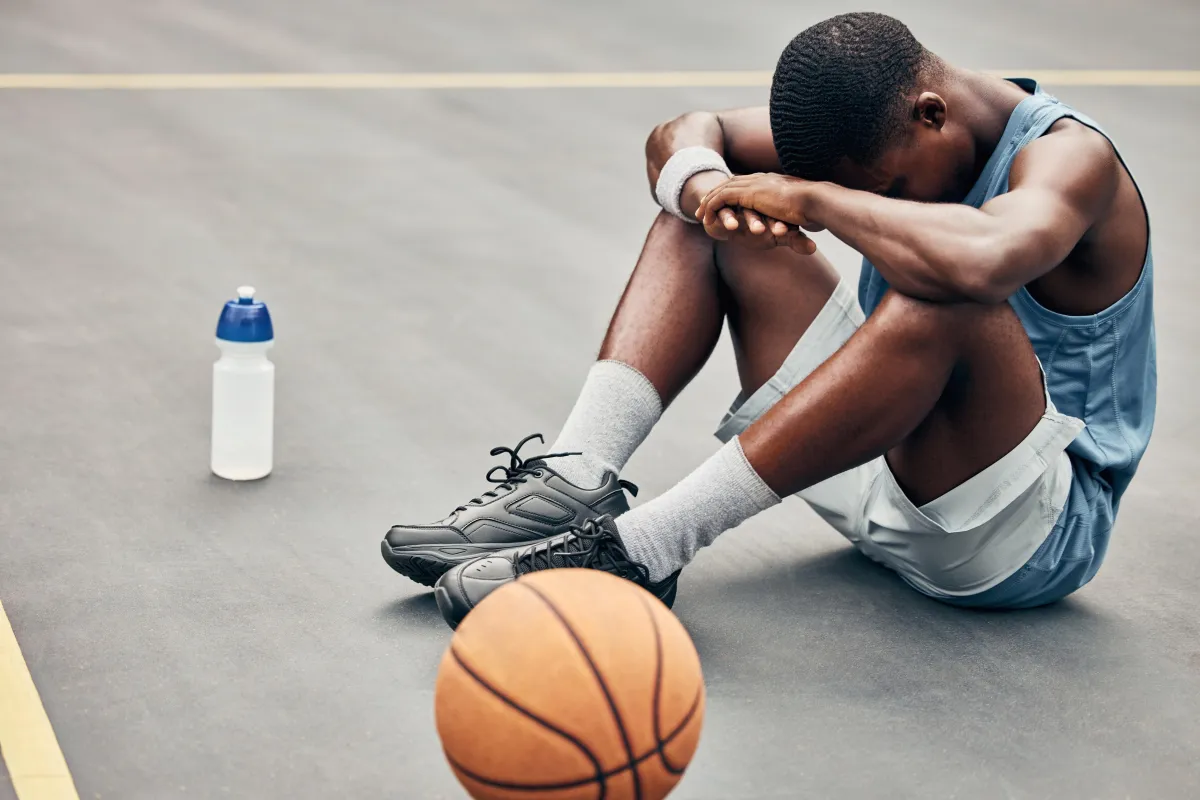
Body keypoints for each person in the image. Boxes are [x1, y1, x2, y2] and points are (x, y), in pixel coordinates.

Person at [381, 12, 1155, 629]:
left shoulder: (1072, 159)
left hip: (1021, 538)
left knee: (946, 290)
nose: (890, 203)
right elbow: (682, 133)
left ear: (932, 113)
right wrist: (710, 188)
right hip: (872, 465)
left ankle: (642, 553)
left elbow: (987, 260)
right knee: (706, 215)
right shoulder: (886, 128)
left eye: (892, 187)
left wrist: (817, 200)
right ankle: (575, 478)